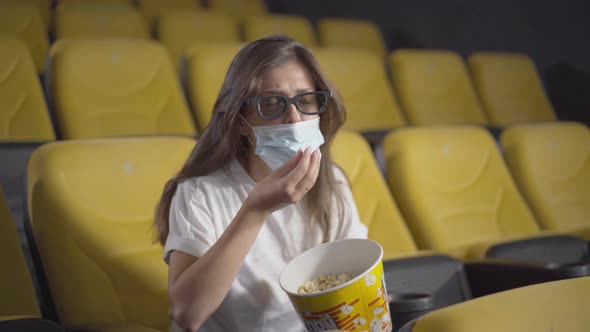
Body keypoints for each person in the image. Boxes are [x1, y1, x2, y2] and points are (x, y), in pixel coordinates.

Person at [153, 35, 368, 332]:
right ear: (242, 121)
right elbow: (188, 313)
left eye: (306, 101)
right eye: (271, 104)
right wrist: (256, 210)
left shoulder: (335, 182)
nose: (294, 118)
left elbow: (355, 287)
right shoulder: (199, 194)